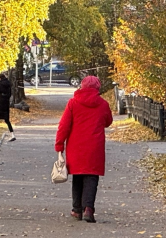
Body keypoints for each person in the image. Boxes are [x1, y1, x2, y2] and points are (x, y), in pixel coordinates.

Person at [54, 76, 113, 223]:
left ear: (82, 86)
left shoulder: (73, 103)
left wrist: (59, 147)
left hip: (76, 146)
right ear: (97, 88)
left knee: (78, 176)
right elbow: (108, 122)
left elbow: (64, 126)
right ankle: (89, 209)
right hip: (95, 146)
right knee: (92, 177)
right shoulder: (103, 104)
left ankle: (77, 210)